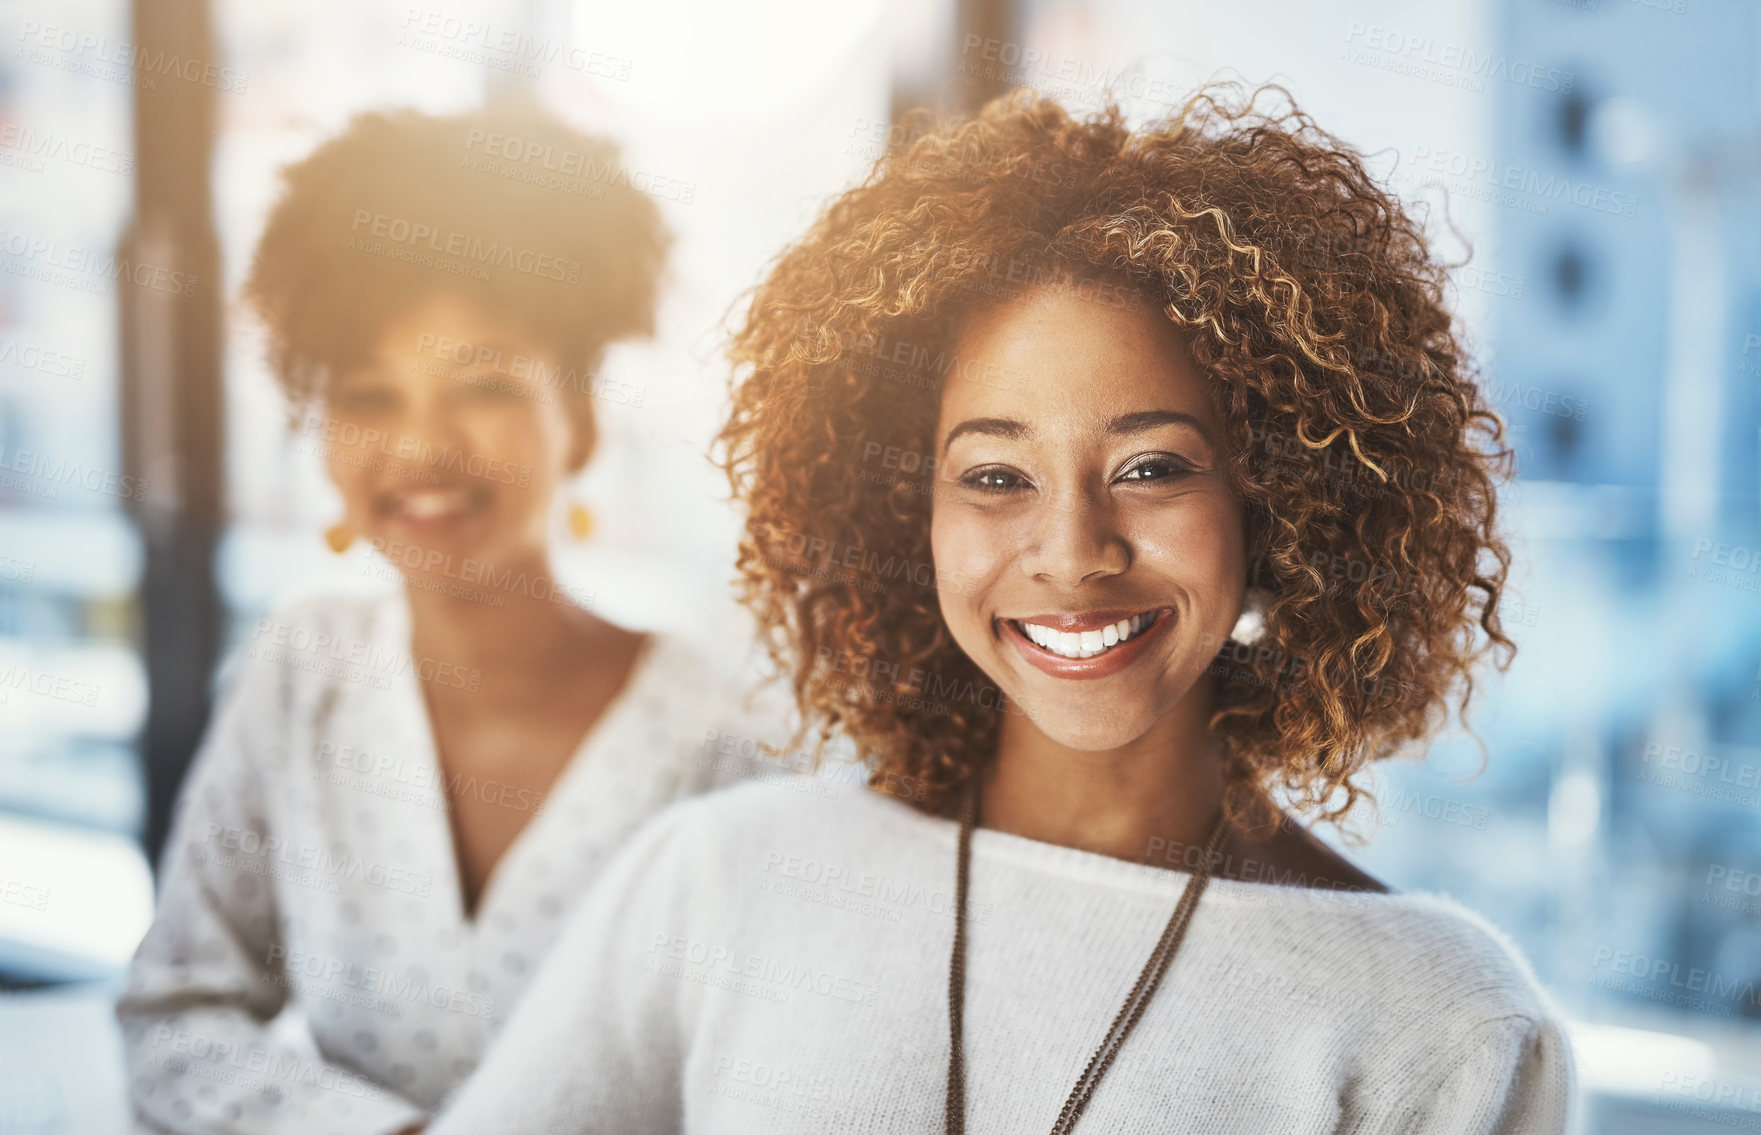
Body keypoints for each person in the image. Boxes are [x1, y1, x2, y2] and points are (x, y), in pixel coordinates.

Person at [422, 86, 1577, 1133]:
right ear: (897, 513)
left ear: (1279, 496)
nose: (1072, 554)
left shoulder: (1442, 1023)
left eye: (1152, 467)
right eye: (994, 477)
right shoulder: (723, 882)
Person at [115, 104, 788, 1135]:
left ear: (581, 422)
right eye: (370, 397)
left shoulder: (725, 746)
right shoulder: (303, 673)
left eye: (481, 388)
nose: (421, 446)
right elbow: (176, 1012)